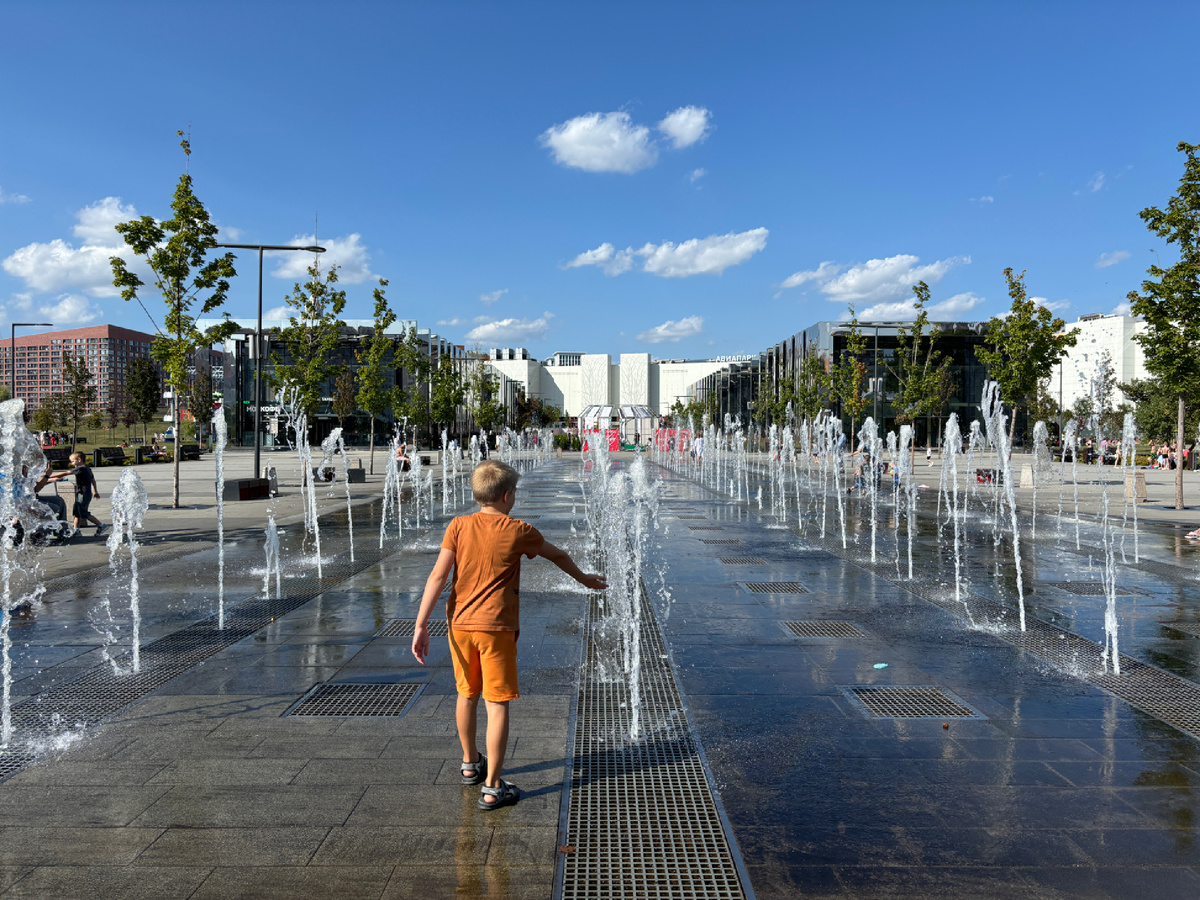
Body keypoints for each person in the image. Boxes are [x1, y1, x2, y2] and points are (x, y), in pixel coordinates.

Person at [411, 460, 606, 811]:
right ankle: (491, 788)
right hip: (496, 629)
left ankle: (470, 764)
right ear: (507, 495)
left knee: (466, 694)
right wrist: (582, 578)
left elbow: (437, 577)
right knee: (496, 704)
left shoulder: (458, 525)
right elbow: (557, 554)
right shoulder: (518, 529)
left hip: (459, 626)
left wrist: (421, 624)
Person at [49, 451, 106, 537]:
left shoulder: (81, 468)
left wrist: (49, 476)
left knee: (83, 513)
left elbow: (66, 473)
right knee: (77, 512)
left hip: (83, 494)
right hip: (83, 493)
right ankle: (76, 530)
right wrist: (95, 491)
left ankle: (101, 525)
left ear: (79, 460)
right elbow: (93, 480)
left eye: (72, 461)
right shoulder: (87, 468)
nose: (71, 463)